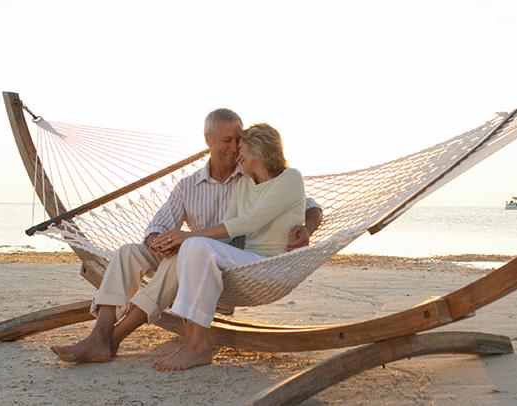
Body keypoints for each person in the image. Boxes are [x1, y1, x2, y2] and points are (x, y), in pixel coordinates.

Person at [50, 110, 322, 363]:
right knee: (128, 252)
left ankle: (114, 338)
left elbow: (308, 206)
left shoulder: (250, 176)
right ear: (209, 140)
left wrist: (307, 230)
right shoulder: (189, 186)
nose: (234, 149)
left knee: (184, 252)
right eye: (227, 140)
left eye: (238, 142)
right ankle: (100, 334)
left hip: (219, 263)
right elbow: (158, 225)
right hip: (191, 250)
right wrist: (158, 243)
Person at [150, 123, 304, 371]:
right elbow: (226, 229)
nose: (236, 153)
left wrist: (190, 237)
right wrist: (185, 247)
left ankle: (196, 347)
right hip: (247, 261)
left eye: (241, 147)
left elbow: (248, 222)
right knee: (195, 248)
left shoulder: (291, 179)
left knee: (195, 243)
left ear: (258, 148)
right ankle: (193, 343)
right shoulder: (244, 183)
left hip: (275, 267)